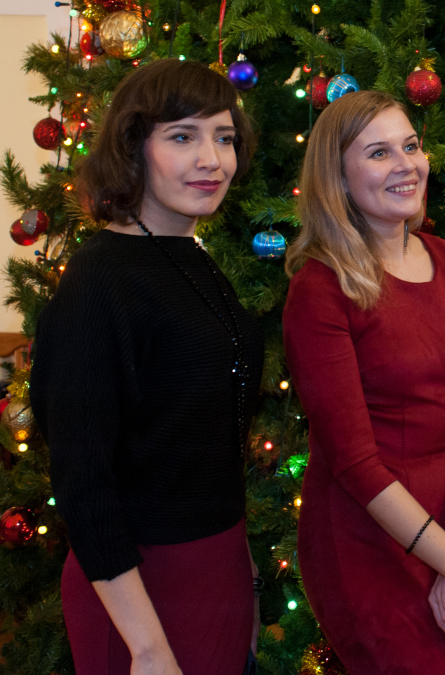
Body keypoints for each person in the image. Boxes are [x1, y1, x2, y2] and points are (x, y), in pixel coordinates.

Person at [31, 58, 263, 674]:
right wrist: (148, 647)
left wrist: (242, 577)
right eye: (183, 137)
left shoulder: (189, 255)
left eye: (224, 138)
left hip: (215, 573)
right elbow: (83, 483)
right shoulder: (99, 281)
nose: (212, 160)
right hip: (138, 596)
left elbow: (208, 444)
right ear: (134, 147)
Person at [281, 90, 445, 674]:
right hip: (365, 536)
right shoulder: (320, 286)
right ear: (337, 178)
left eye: (411, 146)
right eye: (379, 153)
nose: (407, 165)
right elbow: (354, 460)